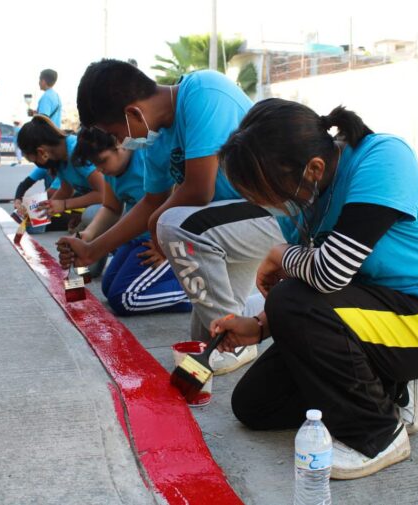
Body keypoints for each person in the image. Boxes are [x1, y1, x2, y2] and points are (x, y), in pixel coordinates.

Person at [209, 98, 418, 479]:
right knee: (255, 406)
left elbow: (329, 274)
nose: (269, 206)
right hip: (367, 318)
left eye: (268, 194)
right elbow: (317, 288)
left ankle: (378, 435)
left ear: (313, 168)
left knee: (291, 298)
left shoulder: (383, 158)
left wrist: (281, 256)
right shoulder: (304, 199)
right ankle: (390, 388)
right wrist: (259, 326)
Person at [69, 60, 285, 375]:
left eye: (116, 133)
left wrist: (159, 225)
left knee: (172, 224)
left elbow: (199, 190)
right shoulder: (155, 142)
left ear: (133, 114)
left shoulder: (204, 93)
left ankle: (239, 341)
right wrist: (92, 250)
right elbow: (149, 203)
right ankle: (277, 311)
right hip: (225, 227)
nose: (123, 141)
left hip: (274, 212)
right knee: (203, 339)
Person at [60, 127, 192, 316]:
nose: (100, 169)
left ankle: (191, 292)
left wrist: (164, 245)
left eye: (102, 161)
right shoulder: (111, 173)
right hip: (137, 239)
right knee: (108, 287)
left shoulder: (147, 157)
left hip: (160, 241)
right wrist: (88, 235)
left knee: (125, 298)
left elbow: (176, 197)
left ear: (119, 143)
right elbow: (111, 208)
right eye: (95, 164)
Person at [16, 115, 107, 274]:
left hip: (116, 207)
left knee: (89, 215)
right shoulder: (60, 157)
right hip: (100, 208)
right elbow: (66, 190)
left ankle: (119, 246)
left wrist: (64, 205)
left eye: (34, 160)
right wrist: (40, 211)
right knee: (85, 269)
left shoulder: (76, 151)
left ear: (41, 152)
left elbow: (105, 195)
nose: (36, 164)